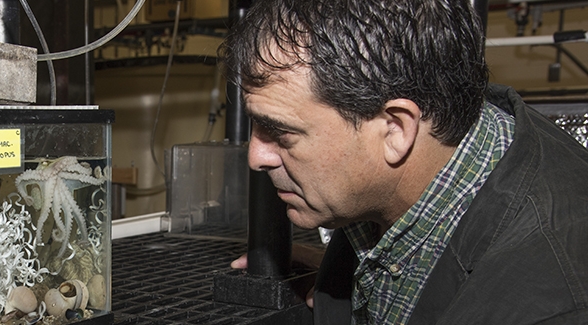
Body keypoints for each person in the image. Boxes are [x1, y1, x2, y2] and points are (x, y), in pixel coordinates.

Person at [219, 0, 588, 324]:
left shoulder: (552, 300)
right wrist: (347, 277)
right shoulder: (449, 150)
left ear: (396, 129)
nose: (257, 157)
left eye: (280, 133)